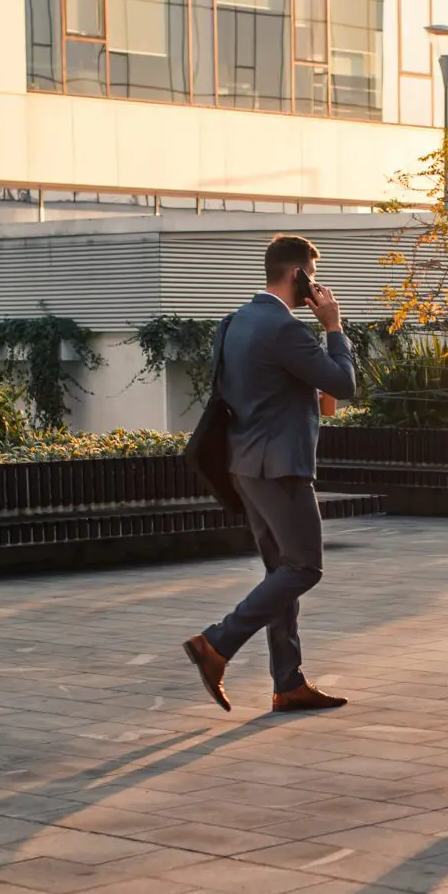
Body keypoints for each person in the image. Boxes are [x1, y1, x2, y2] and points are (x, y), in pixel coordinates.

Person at [183, 235, 356, 714]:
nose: (316, 286)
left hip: (245, 466)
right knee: (305, 567)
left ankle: (288, 682)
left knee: (282, 572)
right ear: (299, 275)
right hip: (280, 468)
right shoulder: (285, 329)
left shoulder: (234, 322)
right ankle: (215, 643)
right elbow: (344, 382)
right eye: (313, 276)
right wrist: (333, 327)